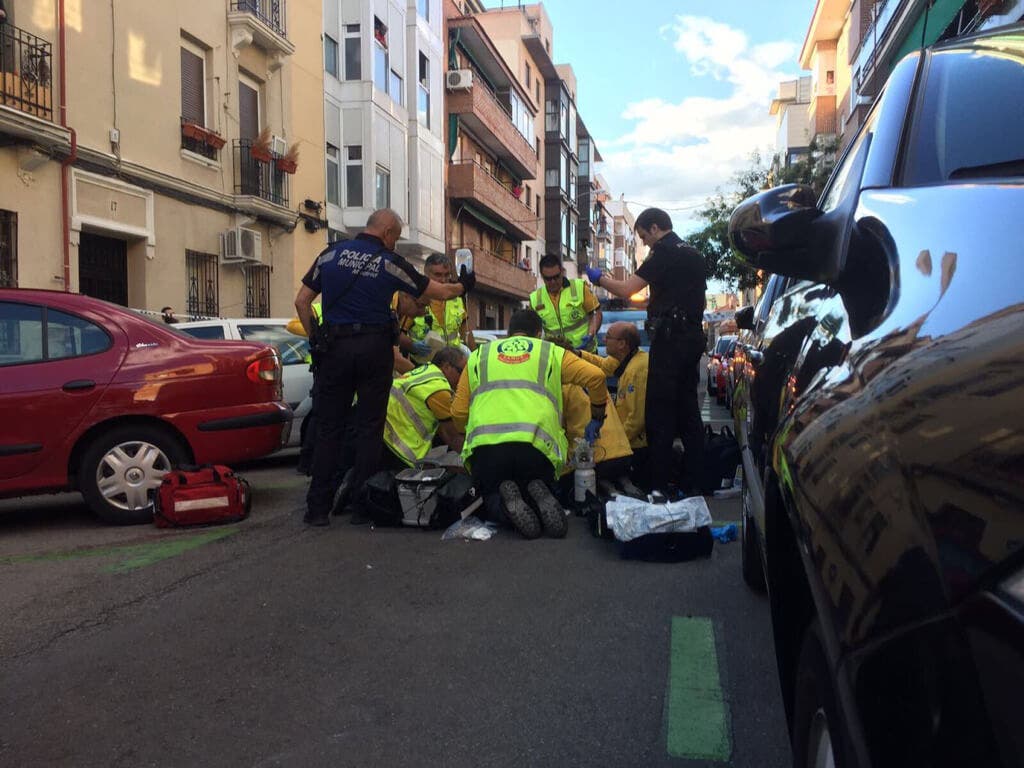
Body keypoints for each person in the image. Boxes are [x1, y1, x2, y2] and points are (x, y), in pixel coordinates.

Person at [294, 208, 474, 527]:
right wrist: (464, 286)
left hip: (334, 350)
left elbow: (302, 302)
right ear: (388, 233)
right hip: (374, 349)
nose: (395, 242)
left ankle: (317, 508)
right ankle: (363, 505)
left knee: (329, 429)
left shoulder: (329, 255)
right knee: (369, 427)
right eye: (396, 237)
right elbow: (438, 291)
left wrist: (316, 339)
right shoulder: (388, 261)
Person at [450, 308, 608, 539]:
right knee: (534, 483)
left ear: (508, 332)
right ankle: (536, 494)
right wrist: (597, 414)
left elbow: (458, 413)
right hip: (536, 448)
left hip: (488, 449)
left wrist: (469, 430)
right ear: (539, 333)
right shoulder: (550, 352)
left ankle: (505, 507)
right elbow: (596, 377)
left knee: (490, 496)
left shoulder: (479, 356)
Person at [585, 207, 706, 496]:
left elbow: (627, 289)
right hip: (692, 337)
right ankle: (696, 482)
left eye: (643, 236)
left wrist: (599, 278)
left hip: (670, 340)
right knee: (689, 412)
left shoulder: (664, 252)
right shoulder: (694, 254)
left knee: (659, 414)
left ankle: (659, 485)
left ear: (654, 228)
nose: (644, 243)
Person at [581, 321, 650, 487]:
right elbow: (603, 365)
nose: (604, 339)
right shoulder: (626, 358)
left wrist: (616, 445)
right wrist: (578, 354)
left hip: (637, 447)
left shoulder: (637, 370)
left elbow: (636, 421)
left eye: (609, 336)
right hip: (630, 443)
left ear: (622, 344)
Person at [380, 346, 466, 473]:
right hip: (391, 440)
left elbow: (442, 431)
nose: (463, 379)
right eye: (461, 372)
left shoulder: (425, 371)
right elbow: (451, 435)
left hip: (377, 429)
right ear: (446, 366)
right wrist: (473, 463)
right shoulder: (438, 387)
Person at [402, 253, 476, 365]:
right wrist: (413, 346)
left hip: (452, 368)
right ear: (426, 274)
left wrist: (476, 359)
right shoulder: (415, 300)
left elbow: (467, 333)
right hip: (423, 367)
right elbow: (398, 335)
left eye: (447, 275)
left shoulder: (456, 299)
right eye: (438, 275)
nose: (443, 280)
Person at [529, 254, 602, 352]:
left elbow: (596, 313)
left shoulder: (579, 288)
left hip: (585, 352)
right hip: (556, 356)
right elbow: (531, 329)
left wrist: (590, 334)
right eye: (548, 279)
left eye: (556, 277)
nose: (553, 281)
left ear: (562, 272)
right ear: (542, 277)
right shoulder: (535, 299)